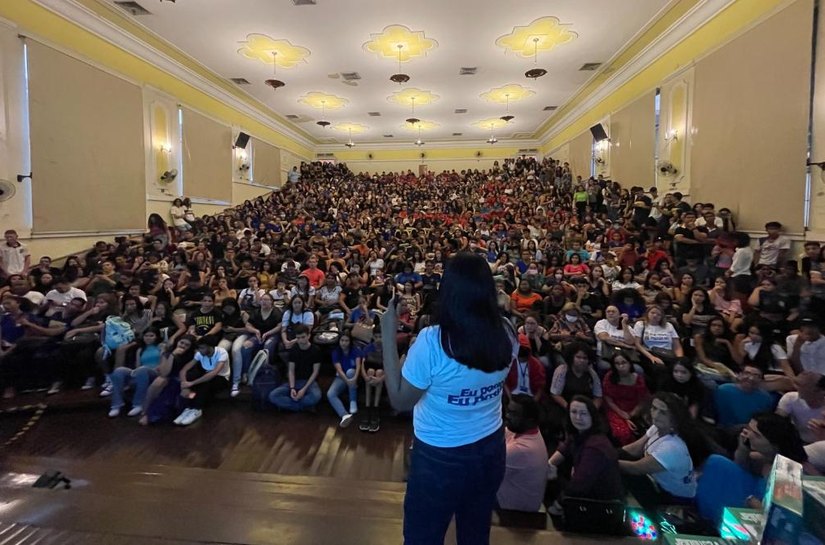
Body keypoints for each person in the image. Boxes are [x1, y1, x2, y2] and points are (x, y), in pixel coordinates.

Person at [379, 252, 517, 545]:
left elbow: (400, 400)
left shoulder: (433, 341)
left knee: (423, 537)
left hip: (439, 457)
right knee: (475, 534)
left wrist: (388, 335)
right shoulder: (507, 332)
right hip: (491, 448)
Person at [696, 413, 807, 524]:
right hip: (746, 493)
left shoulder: (788, 472)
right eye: (749, 430)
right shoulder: (757, 455)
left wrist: (753, 502)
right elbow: (739, 466)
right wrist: (743, 448)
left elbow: (781, 516)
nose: (749, 435)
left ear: (774, 445)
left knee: (718, 464)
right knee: (717, 463)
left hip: (756, 507)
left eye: (757, 435)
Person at [619, 392, 697, 510]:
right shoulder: (657, 427)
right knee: (618, 458)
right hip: (657, 482)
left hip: (674, 499)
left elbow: (635, 468)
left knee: (623, 472)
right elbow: (634, 449)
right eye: (654, 408)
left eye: (663, 412)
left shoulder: (672, 447)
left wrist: (606, 459)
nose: (656, 415)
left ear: (674, 417)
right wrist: (609, 452)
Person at [547, 395, 623, 514]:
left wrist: (558, 504)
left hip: (599, 503)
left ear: (592, 415)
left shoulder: (595, 447)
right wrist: (549, 465)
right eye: (574, 412)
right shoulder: (579, 433)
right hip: (584, 485)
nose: (578, 417)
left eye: (583, 413)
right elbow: (565, 448)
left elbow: (579, 485)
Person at [496, 394, 548, 512]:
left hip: (513, 508)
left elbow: (483, 472)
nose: (507, 416)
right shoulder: (529, 429)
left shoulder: (521, 449)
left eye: (514, 414)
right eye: (508, 411)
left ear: (529, 420)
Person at [175, 336, 230, 426]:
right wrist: (184, 383)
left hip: (221, 378)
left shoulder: (221, 352)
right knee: (191, 376)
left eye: (202, 348)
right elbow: (184, 370)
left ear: (210, 347)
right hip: (206, 376)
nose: (200, 350)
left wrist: (191, 383)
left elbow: (214, 373)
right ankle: (189, 408)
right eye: (199, 348)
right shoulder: (199, 354)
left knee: (204, 383)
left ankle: (197, 409)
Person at [108, 327, 163, 418]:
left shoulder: (161, 347)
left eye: (151, 336)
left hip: (155, 372)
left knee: (143, 369)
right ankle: (116, 405)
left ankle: (138, 404)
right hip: (141, 371)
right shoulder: (140, 350)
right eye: (146, 336)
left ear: (156, 337)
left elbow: (163, 363)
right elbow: (138, 366)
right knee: (119, 370)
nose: (148, 338)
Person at [268, 324, 322, 412]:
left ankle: (292, 405)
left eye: (303, 337)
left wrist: (304, 389)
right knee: (273, 395)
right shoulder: (294, 349)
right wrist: (292, 388)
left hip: (309, 383)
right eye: (298, 338)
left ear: (309, 336)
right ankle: (301, 406)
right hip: (295, 381)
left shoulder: (316, 350)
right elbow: (291, 371)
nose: (300, 340)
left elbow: (315, 372)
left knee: (316, 396)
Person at [602, 351, 650, 445]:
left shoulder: (638, 379)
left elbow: (643, 400)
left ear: (629, 363)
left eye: (623, 363)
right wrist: (622, 414)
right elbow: (608, 399)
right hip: (615, 408)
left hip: (635, 408)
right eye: (617, 363)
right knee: (622, 433)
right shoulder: (609, 377)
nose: (621, 366)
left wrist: (631, 414)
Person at [714, 365, 775, 431]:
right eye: (747, 373)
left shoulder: (766, 398)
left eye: (756, 376)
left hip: (749, 432)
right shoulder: (722, 390)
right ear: (739, 375)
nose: (751, 378)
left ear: (761, 380)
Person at [776, 372, 825, 444]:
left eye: (804, 386)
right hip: (799, 442)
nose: (797, 388)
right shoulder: (790, 398)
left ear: (820, 391)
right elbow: (776, 421)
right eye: (798, 384)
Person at [327, 332, 362, 428]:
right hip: (342, 377)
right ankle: (344, 414)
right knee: (330, 394)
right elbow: (339, 369)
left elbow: (358, 366)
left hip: (354, 376)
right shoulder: (336, 352)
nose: (344, 343)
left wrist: (354, 379)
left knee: (351, 372)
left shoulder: (355, 350)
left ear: (350, 342)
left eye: (346, 340)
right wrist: (348, 381)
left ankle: (353, 401)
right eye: (342, 340)